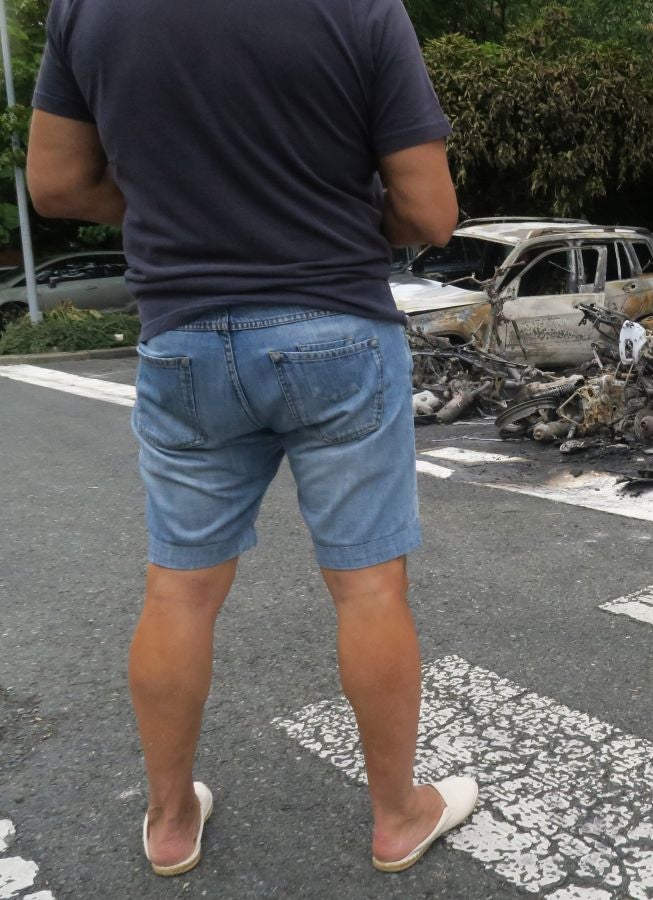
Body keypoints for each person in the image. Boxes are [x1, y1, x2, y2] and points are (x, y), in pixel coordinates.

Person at [26, 0, 474, 876]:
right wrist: (333, 223)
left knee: (180, 591)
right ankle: (396, 817)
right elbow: (430, 211)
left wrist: (178, 216)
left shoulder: (84, 7)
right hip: (336, 327)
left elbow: (55, 184)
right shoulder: (362, 9)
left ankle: (168, 823)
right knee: (369, 588)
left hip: (184, 337)